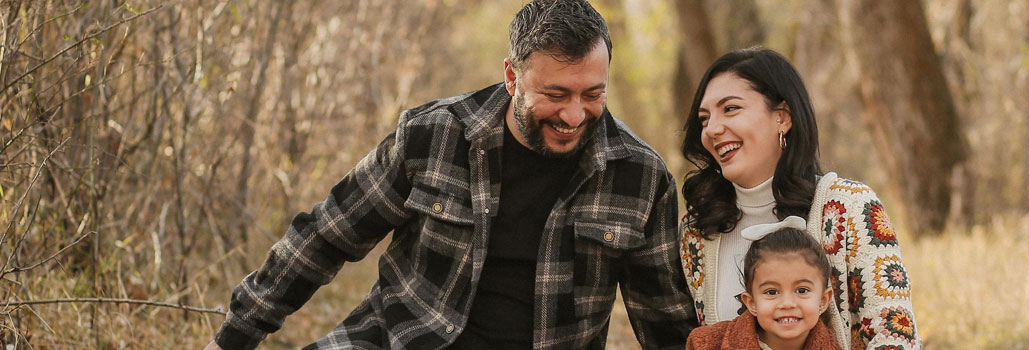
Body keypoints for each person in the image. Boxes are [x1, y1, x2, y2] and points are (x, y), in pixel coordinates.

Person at [205, 1, 696, 349]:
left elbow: (666, 321)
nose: (574, 114)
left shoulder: (640, 176)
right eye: (556, 94)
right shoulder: (433, 135)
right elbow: (326, 235)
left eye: (593, 94)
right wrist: (235, 336)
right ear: (511, 77)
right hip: (399, 338)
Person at [678, 47, 921, 349]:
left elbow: (894, 336)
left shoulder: (849, 207)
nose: (712, 129)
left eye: (730, 109)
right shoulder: (698, 230)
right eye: (704, 119)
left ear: (782, 118)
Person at [686, 217, 840, 350]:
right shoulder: (708, 344)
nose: (787, 304)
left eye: (802, 290)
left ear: (823, 300)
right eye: (772, 292)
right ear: (751, 302)